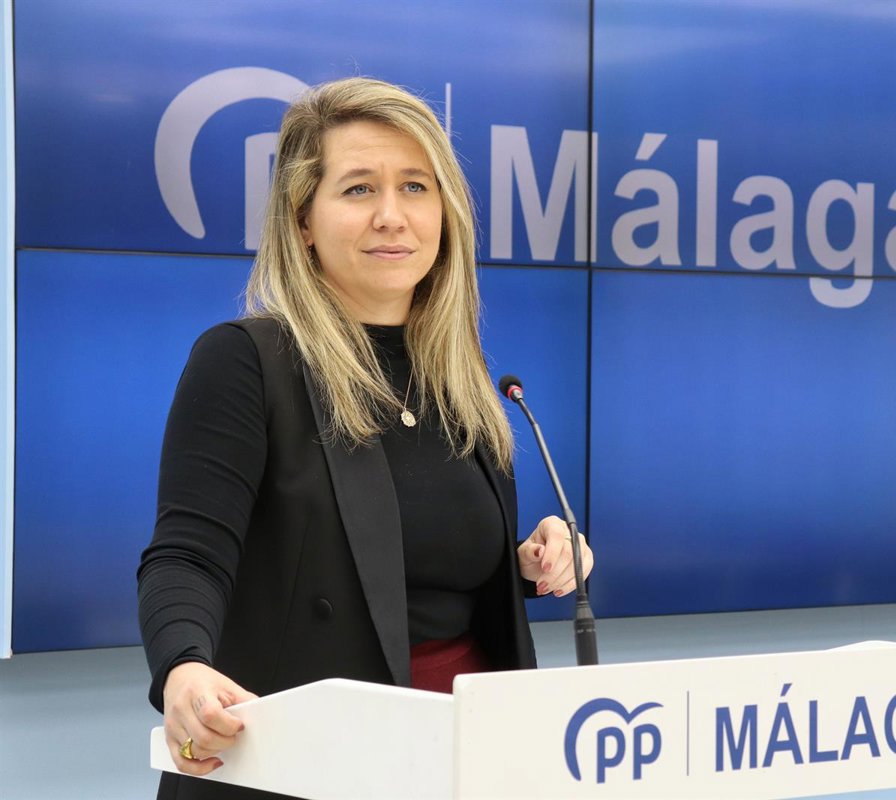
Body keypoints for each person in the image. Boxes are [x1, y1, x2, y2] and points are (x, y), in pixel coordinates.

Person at [137, 77, 594, 800]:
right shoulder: (247, 360)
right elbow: (186, 555)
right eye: (358, 189)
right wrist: (183, 666)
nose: (391, 215)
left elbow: (406, 562)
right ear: (303, 220)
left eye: (415, 187)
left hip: (465, 759)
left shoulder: (461, 375)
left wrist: (529, 559)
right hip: (311, 761)